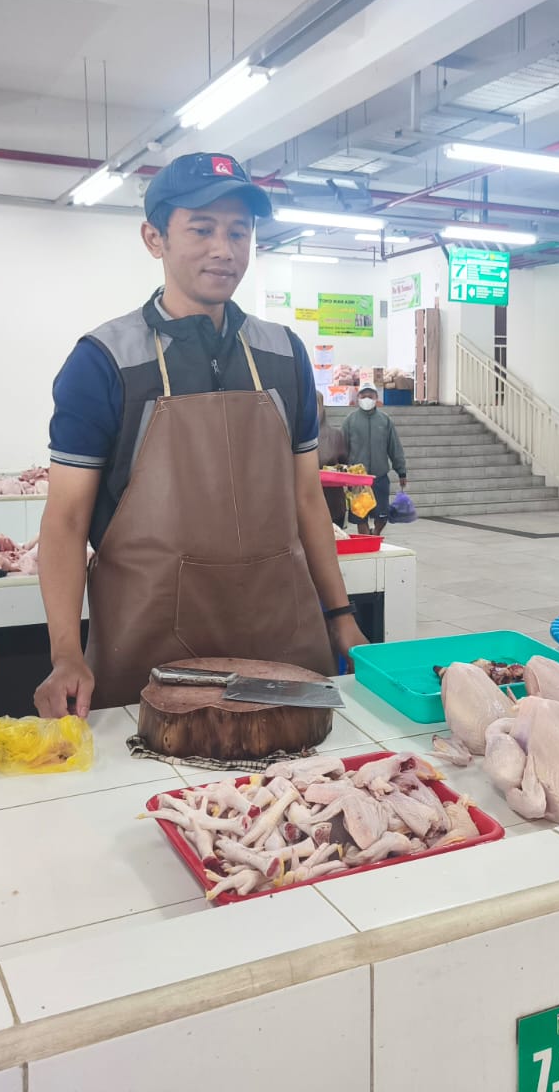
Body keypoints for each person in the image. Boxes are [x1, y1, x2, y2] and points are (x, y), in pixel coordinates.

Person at [35, 152, 369, 717]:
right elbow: (65, 520)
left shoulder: (282, 354)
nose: (225, 248)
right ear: (154, 237)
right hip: (147, 643)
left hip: (282, 636)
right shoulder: (105, 362)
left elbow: (308, 499)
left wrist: (341, 618)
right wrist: (66, 652)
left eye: (239, 231)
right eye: (202, 228)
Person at [343, 384, 408, 536]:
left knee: (382, 515)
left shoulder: (385, 420)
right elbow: (343, 448)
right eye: (363, 396)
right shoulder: (350, 421)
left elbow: (394, 447)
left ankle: (376, 533)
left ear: (376, 398)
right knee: (361, 516)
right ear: (358, 398)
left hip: (379, 478)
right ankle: (366, 539)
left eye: (370, 396)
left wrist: (401, 471)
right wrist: (344, 474)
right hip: (358, 480)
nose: (366, 399)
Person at [316, 391, 348, 529]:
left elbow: (345, 466)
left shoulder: (335, 436)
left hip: (333, 503)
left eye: (315, 405)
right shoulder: (292, 437)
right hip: (304, 503)